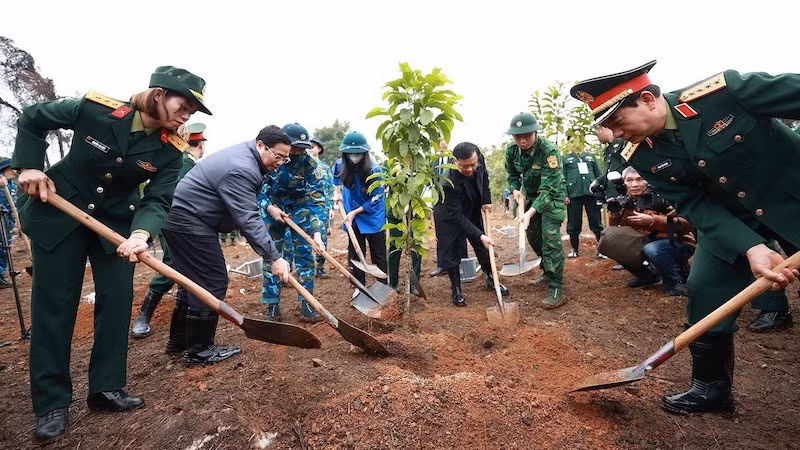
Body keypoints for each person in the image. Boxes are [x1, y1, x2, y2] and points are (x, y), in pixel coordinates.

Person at [570, 60, 800, 414]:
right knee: (705, 289)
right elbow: (694, 203)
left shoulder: (725, 94)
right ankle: (710, 388)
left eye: (617, 122)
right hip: (731, 222)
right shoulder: (642, 154)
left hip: (792, 197)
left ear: (647, 99)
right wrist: (751, 246)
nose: (615, 134)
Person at [12, 66, 210, 442]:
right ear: (158, 95)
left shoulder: (170, 150)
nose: (187, 115)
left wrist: (141, 235)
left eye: (193, 111)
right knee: (55, 305)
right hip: (60, 214)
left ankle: (106, 388)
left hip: (118, 226)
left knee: (117, 300)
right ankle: (51, 402)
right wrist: (31, 165)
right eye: (183, 104)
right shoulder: (95, 110)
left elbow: (158, 199)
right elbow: (33, 117)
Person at [162, 125, 292, 365]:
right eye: (278, 156)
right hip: (190, 221)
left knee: (191, 282)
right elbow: (248, 218)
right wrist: (274, 257)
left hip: (182, 219)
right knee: (212, 281)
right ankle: (199, 350)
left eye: (286, 158)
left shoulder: (246, 158)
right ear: (261, 145)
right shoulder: (242, 169)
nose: (281, 162)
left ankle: (180, 342)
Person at [131, 123, 207, 339]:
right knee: (173, 264)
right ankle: (143, 316)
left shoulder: (191, 164)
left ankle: (186, 319)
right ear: (200, 144)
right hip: (174, 222)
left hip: (187, 225)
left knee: (187, 267)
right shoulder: (183, 163)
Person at [259, 123, 326, 322]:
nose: (297, 152)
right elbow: (258, 190)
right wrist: (269, 207)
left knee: (305, 257)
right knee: (271, 257)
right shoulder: (271, 160)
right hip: (274, 209)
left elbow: (317, 200)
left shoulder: (311, 166)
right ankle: (272, 305)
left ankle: (307, 303)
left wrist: (317, 234)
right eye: (294, 147)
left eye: (301, 148)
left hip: (301, 209)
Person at [505, 112, 568, 309]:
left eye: (527, 135)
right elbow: (512, 173)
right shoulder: (512, 150)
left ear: (535, 133)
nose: (522, 140)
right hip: (529, 195)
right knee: (533, 236)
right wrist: (515, 189)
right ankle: (546, 269)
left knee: (550, 239)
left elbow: (549, 189)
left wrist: (530, 213)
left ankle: (556, 285)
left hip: (552, 196)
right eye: (518, 136)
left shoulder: (549, 151)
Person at [434, 142, 509, 306]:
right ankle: (456, 290)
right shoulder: (448, 183)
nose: (469, 169)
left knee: (482, 246)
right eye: (464, 166)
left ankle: (491, 279)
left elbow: (485, 178)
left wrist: (486, 200)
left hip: (471, 206)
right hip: (449, 216)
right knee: (452, 252)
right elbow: (457, 217)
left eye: (472, 165)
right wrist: (480, 235)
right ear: (455, 162)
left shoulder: (479, 160)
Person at [603, 167, 695, 296]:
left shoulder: (662, 196)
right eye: (629, 180)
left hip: (679, 242)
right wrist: (614, 212)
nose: (635, 184)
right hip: (647, 243)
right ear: (624, 183)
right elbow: (613, 230)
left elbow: (686, 226)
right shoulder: (624, 201)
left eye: (639, 179)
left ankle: (676, 282)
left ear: (648, 181)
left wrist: (653, 221)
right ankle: (648, 275)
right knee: (612, 243)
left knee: (653, 249)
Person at [338, 131, 388, 288]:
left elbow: (376, 199)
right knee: (355, 255)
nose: (354, 157)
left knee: (378, 254)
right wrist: (336, 193)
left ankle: (382, 288)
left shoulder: (375, 170)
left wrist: (354, 212)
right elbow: (335, 179)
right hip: (352, 219)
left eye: (357, 153)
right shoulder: (341, 165)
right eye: (350, 154)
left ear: (364, 153)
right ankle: (360, 288)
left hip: (373, 217)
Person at [563, 135, 604, 258]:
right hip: (574, 194)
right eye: (572, 141)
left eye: (578, 140)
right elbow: (562, 177)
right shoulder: (565, 158)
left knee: (596, 221)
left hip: (591, 193)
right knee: (574, 223)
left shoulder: (590, 157)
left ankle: (602, 250)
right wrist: (565, 195)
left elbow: (599, 175)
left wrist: (601, 193)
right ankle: (574, 250)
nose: (576, 143)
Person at [309, 137, 334, 279]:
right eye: (308, 147)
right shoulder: (304, 167)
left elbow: (329, 189)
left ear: (319, 149)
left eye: (313, 146)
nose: (310, 149)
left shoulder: (325, 168)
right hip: (305, 207)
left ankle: (320, 267)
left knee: (322, 238)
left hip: (322, 208)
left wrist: (330, 207)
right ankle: (305, 268)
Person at [0, 158, 18, 287]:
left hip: (8, 221)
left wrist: (16, 219)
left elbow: (14, 203)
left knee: (6, 248)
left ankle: (1, 274)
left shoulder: (12, 184)